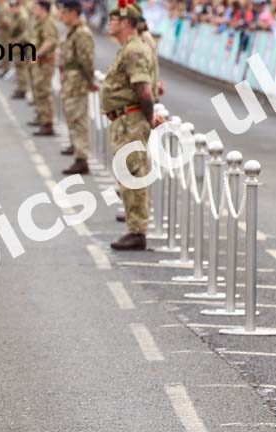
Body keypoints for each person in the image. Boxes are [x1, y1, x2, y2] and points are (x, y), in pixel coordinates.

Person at [101, 0, 163, 251]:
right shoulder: (128, 47)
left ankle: (137, 231)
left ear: (126, 22)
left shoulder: (134, 50)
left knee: (133, 175)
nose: (110, 22)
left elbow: (143, 88)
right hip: (125, 119)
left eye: (115, 19)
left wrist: (149, 117)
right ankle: (134, 226)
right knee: (128, 174)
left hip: (131, 121)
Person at [59, 0, 94, 175]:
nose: (61, 15)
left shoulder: (82, 33)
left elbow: (86, 61)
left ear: (74, 13)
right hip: (69, 82)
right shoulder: (71, 32)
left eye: (64, 12)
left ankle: (82, 159)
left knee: (79, 120)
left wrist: (90, 81)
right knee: (72, 118)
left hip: (78, 82)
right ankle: (77, 152)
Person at [28, 0, 58, 135]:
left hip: (45, 62)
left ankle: (47, 123)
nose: (33, 10)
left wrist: (37, 53)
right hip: (39, 63)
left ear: (43, 9)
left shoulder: (48, 23)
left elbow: (50, 41)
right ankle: (42, 118)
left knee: (44, 93)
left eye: (36, 8)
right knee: (39, 91)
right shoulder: (40, 22)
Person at [9, 0, 31, 99]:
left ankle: (23, 89)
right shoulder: (16, 16)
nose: (11, 8)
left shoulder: (22, 17)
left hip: (21, 46)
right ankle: (20, 87)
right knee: (18, 68)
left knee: (21, 68)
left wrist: (18, 41)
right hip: (16, 45)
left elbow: (25, 33)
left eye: (13, 6)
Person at [0, 0, 12, 76]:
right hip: (1, 30)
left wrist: (2, 28)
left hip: (4, 32)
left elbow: (6, 21)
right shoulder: (0, 5)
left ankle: (6, 68)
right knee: (2, 50)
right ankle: (3, 66)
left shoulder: (4, 6)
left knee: (5, 51)